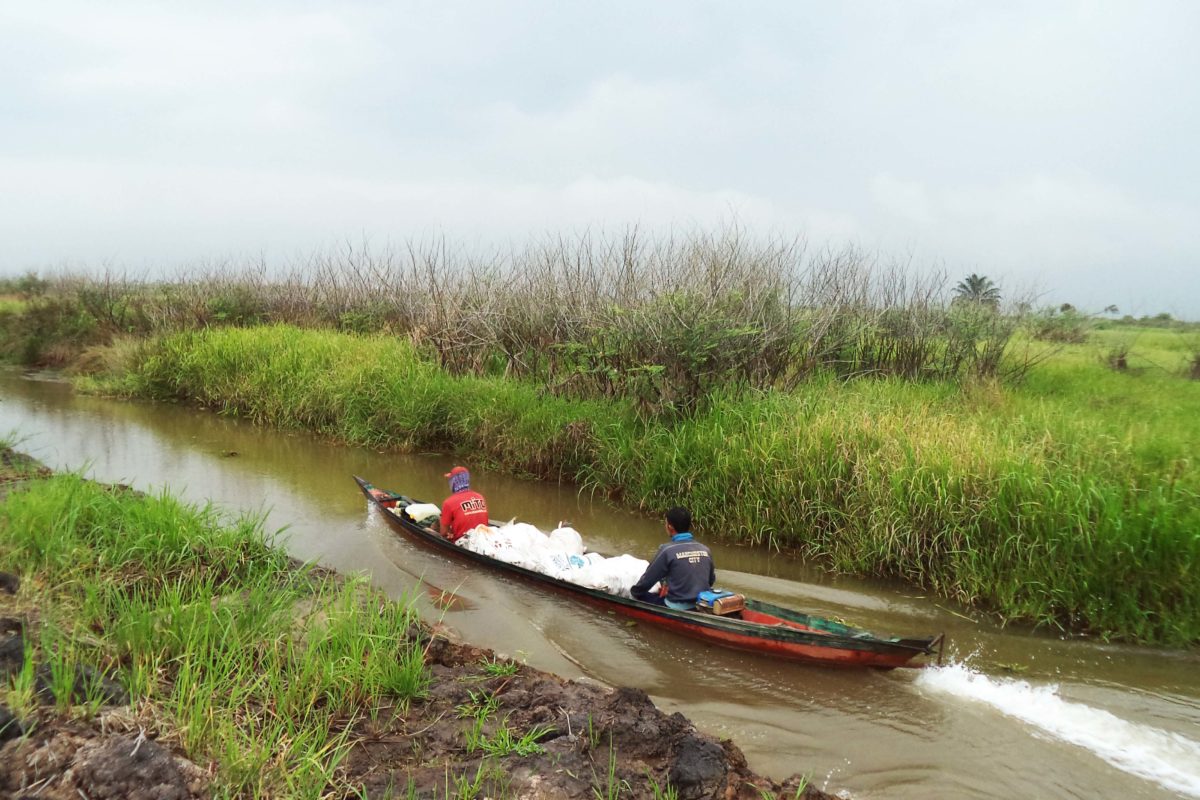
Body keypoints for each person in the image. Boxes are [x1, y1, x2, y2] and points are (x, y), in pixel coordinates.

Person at [630, 506, 714, 609]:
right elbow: (710, 581)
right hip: (700, 604)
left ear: (670, 527)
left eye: (665, 523)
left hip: (676, 606)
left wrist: (634, 592)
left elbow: (648, 579)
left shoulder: (667, 550)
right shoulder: (705, 550)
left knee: (641, 595)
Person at [434, 466, 489, 542]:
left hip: (462, 542)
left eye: (450, 480)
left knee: (431, 527)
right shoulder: (480, 497)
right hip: (482, 538)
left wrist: (448, 531)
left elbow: (443, 533)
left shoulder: (449, 502)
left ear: (454, 482)